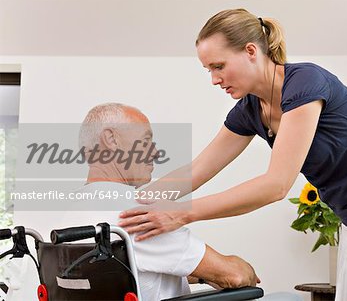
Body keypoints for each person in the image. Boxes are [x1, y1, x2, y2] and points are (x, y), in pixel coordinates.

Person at [118, 9, 347, 301]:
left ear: (251, 51)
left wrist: (182, 214)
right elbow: (197, 169)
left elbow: (276, 185)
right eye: (208, 70)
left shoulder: (305, 84)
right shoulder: (250, 110)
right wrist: (124, 203)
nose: (214, 79)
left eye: (218, 66)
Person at [63, 103, 260, 300]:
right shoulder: (138, 214)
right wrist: (245, 268)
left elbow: (114, 273)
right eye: (146, 140)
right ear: (111, 139)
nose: (155, 153)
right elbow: (235, 276)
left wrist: (200, 277)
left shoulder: (70, 214)